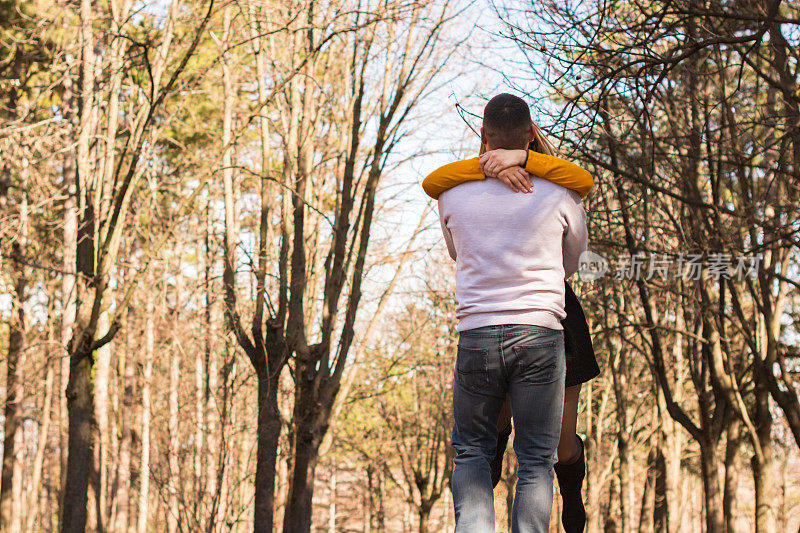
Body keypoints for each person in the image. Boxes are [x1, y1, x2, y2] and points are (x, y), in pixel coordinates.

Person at [423, 112, 600, 533]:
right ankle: (493, 472)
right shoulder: (463, 186)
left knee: (555, 445)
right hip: (507, 319)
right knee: (500, 440)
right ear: (530, 129)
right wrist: (494, 164)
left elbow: (571, 257)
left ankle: (571, 490)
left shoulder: (558, 183)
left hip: (553, 316)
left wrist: (520, 159)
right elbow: (435, 185)